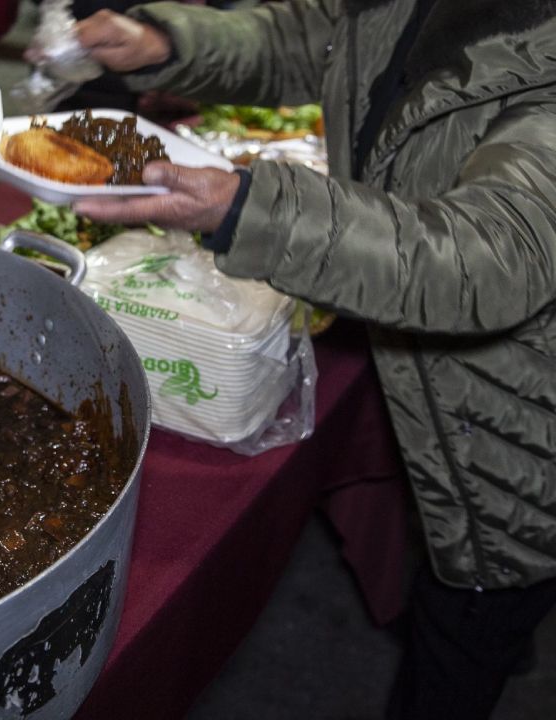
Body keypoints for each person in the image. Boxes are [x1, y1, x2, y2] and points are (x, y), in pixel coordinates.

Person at [69, 1, 556, 717]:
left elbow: (485, 259)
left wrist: (248, 210)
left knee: (469, 627)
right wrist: (165, 40)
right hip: (416, 343)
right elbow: (306, 39)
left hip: (512, 414)